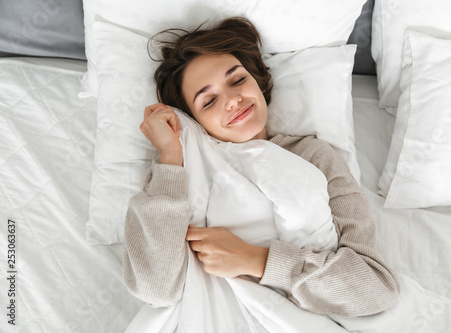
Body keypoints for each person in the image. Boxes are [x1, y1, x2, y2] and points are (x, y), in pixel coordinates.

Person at [122, 16, 400, 318]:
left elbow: (375, 288)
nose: (232, 100)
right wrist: (171, 155)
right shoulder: (178, 171)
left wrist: (257, 261)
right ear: (194, 122)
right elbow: (155, 289)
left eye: (238, 79)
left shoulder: (314, 155)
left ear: (258, 82)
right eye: (208, 100)